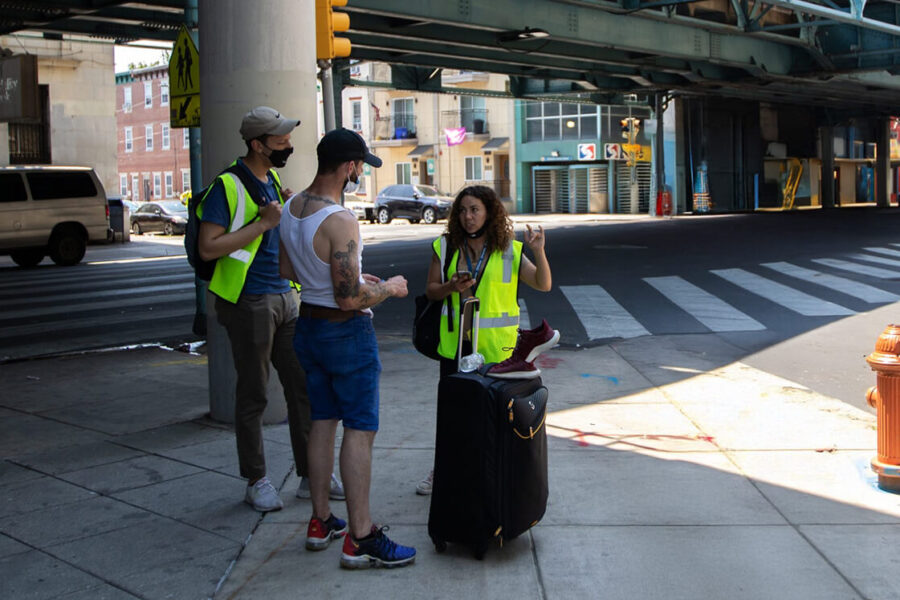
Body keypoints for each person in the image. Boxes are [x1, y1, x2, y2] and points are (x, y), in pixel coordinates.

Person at [280, 128, 416, 569]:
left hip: (309, 329)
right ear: (347, 167)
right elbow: (348, 299)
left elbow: (290, 269)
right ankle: (360, 535)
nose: (359, 172)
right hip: (346, 333)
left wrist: (356, 281)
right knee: (360, 428)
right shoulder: (340, 220)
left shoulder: (291, 208)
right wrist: (389, 288)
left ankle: (320, 521)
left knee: (322, 421)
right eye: (359, 165)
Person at [196, 106, 343, 512]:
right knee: (254, 393)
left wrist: (286, 210)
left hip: (284, 296)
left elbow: (276, 227)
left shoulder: (272, 179)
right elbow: (208, 247)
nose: (288, 147)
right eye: (281, 142)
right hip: (249, 301)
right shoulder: (227, 186)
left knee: (303, 387)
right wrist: (263, 223)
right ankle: (256, 479)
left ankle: (309, 475)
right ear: (258, 145)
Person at [415, 185, 558, 495]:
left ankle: (496, 471)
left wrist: (539, 250)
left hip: (500, 352)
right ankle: (443, 470)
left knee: (496, 417)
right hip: (456, 347)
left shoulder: (510, 250)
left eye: (475, 210)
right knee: (454, 415)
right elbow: (431, 290)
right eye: (463, 210)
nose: (468, 217)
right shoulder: (445, 247)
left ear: (489, 213)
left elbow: (543, 284)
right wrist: (451, 286)